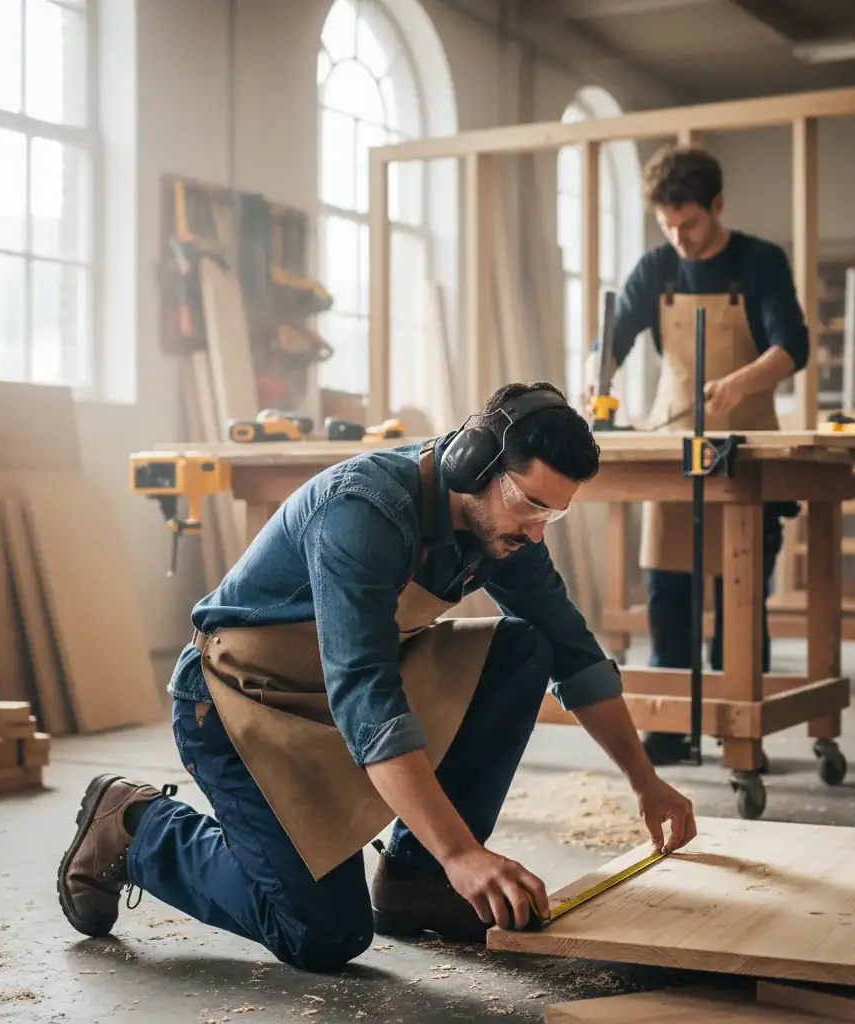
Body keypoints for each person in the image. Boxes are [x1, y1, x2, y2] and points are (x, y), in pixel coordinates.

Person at [57, 381, 697, 972]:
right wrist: (463, 853)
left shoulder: (500, 529)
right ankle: (136, 827)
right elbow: (367, 697)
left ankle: (415, 882)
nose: (536, 530)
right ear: (474, 465)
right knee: (321, 935)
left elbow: (573, 651)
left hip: (335, 696)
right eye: (530, 504)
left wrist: (646, 783)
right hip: (236, 703)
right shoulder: (361, 510)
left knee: (527, 647)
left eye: (552, 516)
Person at [587, 144, 808, 766]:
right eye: (667, 227)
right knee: (667, 589)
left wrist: (743, 380)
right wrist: (592, 376)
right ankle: (670, 726)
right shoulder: (655, 268)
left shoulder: (760, 261)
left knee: (741, 592)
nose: (679, 240)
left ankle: (739, 724)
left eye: (690, 225)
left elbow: (794, 345)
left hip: (746, 441)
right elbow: (612, 339)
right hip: (675, 437)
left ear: (717, 206)